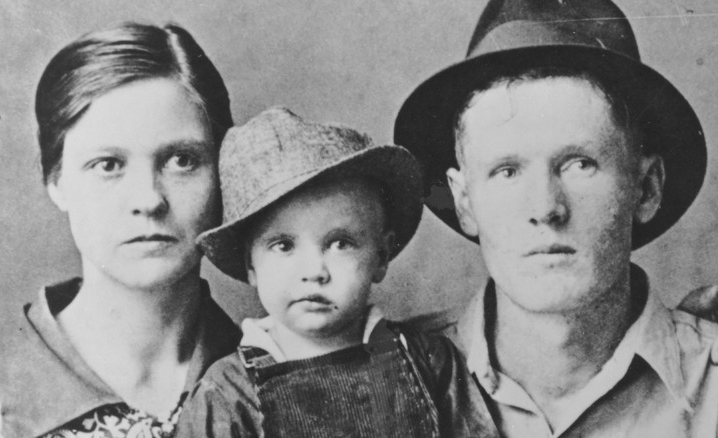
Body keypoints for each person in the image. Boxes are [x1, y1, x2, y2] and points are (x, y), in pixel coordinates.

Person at [394, 0, 718, 435]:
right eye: (507, 171)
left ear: (646, 188)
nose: (545, 208)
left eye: (579, 164)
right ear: (465, 201)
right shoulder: (389, 376)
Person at [0, 23, 240, 437]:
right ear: (56, 181)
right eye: (109, 165)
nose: (149, 199)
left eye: (182, 160)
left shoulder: (280, 378)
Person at [174, 107, 497, 437]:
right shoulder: (228, 395)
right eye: (284, 246)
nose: (314, 271)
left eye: (341, 243)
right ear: (250, 264)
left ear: (381, 256)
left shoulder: (429, 361)